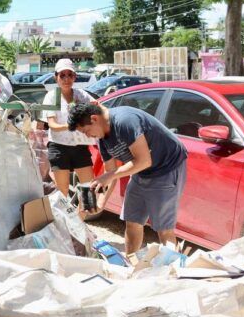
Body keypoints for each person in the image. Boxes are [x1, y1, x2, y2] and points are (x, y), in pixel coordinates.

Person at [68, 102, 188, 254]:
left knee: (163, 229)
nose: (87, 136)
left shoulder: (125, 121)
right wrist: (100, 203)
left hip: (166, 168)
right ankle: (131, 264)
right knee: (132, 220)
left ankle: (173, 271)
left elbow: (144, 160)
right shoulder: (102, 138)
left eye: (86, 131)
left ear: (94, 118)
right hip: (140, 171)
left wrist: (108, 176)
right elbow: (110, 171)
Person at [36, 59, 96, 196]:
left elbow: (97, 107)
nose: (66, 79)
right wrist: (71, 125)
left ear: (75, 77)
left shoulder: (81, 95)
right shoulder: (52, 96)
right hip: (59, 147)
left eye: (70, 75)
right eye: (62, 75)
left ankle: (80, 217)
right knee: (62, 193)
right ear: (55, 77)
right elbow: (52, 125)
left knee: (89, 191)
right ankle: (62, 218)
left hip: (80, 146)